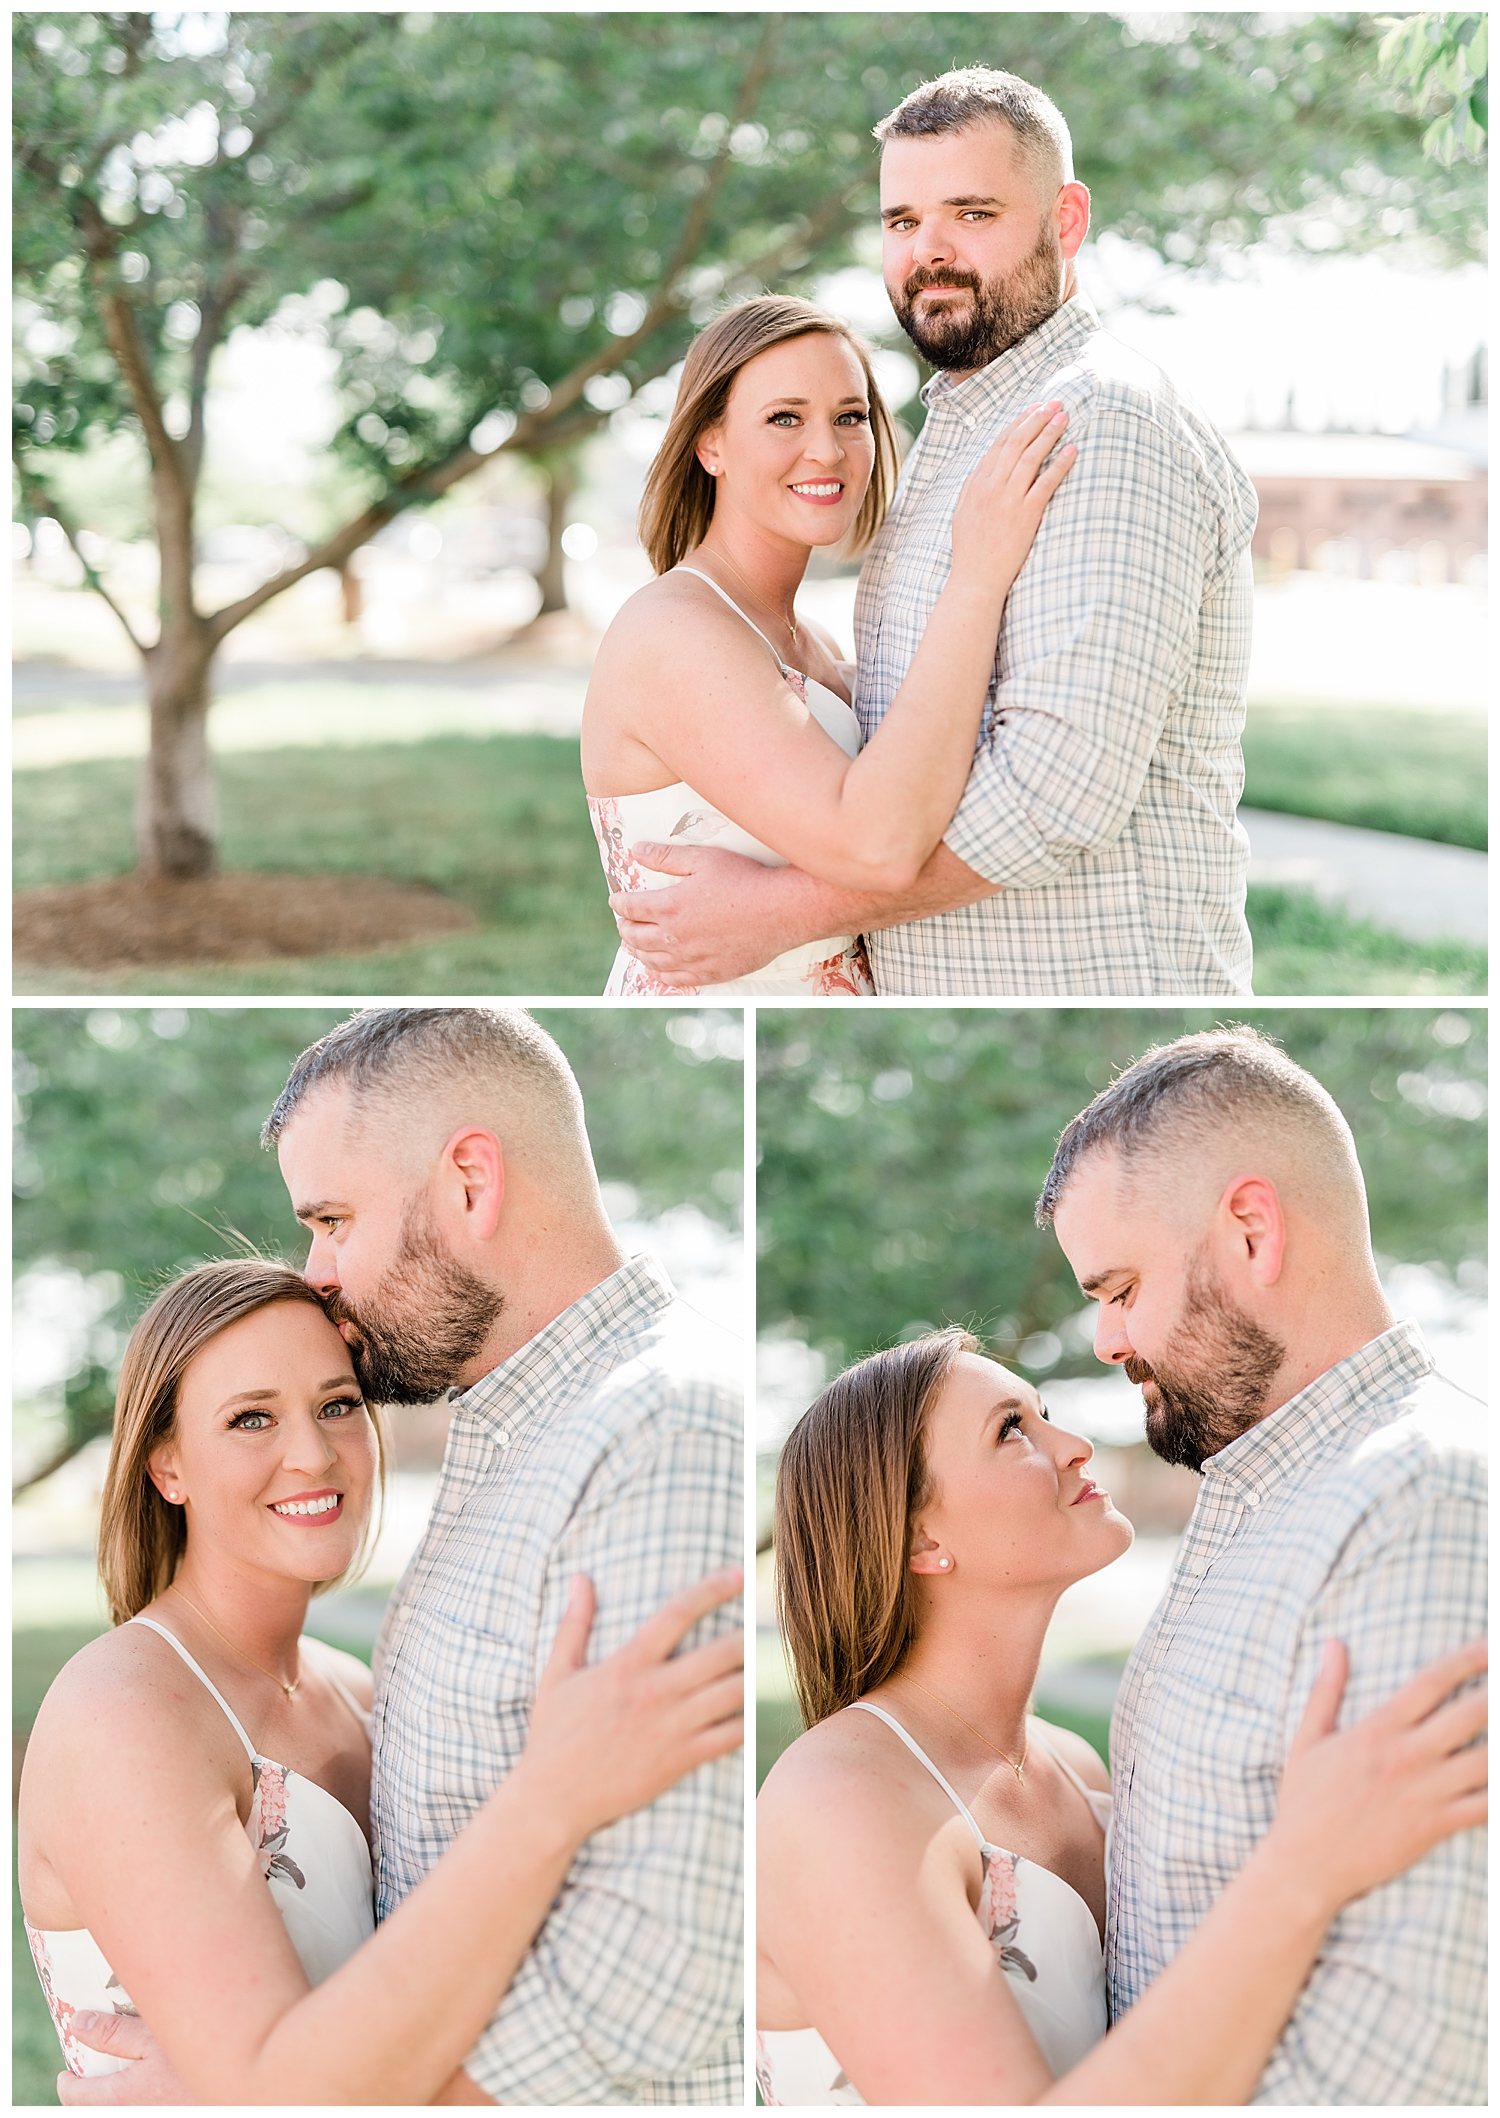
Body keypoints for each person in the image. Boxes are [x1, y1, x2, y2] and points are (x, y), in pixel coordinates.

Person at [52, 1005, 746, 2104]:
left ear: (471, 1180)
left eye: (333, 1219)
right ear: (163, 1464)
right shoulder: (127, 1707)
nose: (319, 1270)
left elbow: (655, 1976)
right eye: (249, 1418)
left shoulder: (658, 1429)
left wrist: (276, 2095)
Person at [611, 67, 1259, 998]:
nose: (930, 252)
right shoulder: (960, 436)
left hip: (1080, 999)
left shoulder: (1096, 422)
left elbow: (1056, 795)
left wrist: (782, 913)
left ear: (1066, 221)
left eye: (973, 213)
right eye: (903, 221)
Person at [755, 1331, 1485, 2103]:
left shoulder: (1074, 1765)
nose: (1075, 1445)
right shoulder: (839, 1802)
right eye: (1012, 1430)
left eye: (1044, 1413)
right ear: (920, 1536)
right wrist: (1304, 1870)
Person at [1039, 1024, 1487, 2102]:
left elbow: (1401, 2061)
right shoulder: (1268, 1496)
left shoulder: (1422, 1506)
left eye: (1120, 1288)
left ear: (1251, 1230)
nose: (1105, 1342)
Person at [582, 293, 1075, 995]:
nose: (828, 450)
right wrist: (975, 577)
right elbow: (875, 847)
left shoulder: (807, 639)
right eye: (785, 418)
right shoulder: (673, 632)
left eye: (850, 417)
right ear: (710, 444)